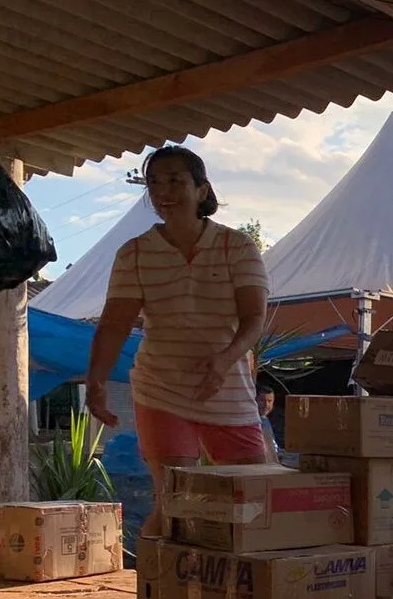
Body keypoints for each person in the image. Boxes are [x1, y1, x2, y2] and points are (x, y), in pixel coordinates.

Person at [86, 145, 270, 537]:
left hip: (229, 389)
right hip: (161, 389)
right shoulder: (134, 253)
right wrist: (96, 381)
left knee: (256, 496)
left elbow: (254, 320)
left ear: (202, 190)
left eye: (175, 181)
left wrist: (224, 360)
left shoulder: (237, 246)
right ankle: (157, 591)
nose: (163, 191)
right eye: (154, 183)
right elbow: (115, 324)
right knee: (174, 500)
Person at [256, 376, 280, 465]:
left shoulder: (266, 420)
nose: (266, 404)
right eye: (262, 400)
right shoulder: (254, 422)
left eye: (270, 401)